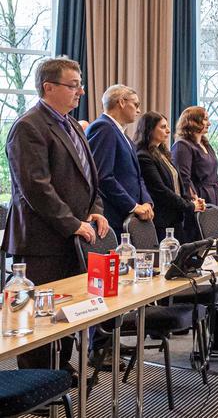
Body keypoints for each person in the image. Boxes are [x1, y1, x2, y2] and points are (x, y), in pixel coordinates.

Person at [2, 56, 109, 371]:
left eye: (80, 85)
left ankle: (59, 377)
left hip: (72, 239)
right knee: (40, 321)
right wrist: (73, 223)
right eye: (73, 85)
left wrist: (96, 211)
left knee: (66, 317)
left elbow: (90, 177)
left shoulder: (72, 123)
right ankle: (35, 389)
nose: (81, 91)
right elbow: (36, 188)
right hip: (41, 243)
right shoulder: (28, 126)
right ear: (49, 87)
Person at [85, 84, 154, 237]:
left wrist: (147, 202)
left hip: (129, 216)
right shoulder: (104, 128)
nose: (138, 110)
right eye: (135, 104)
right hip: (114, 215)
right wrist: (133, 206)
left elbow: (137, 176)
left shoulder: (124, 136)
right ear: (122, 102)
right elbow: (103, 176)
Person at [135, 111, 206, 241]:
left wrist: (191, 201)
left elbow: (177, 185)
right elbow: (160, 190)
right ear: (149, 130)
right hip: (161, 220)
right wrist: (189, 206)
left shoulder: (162, 153)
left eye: (167, 126)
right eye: (163, 127)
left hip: (175, 217)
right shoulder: (143, 155)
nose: (168, 130)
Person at [171, 106, 218, 214]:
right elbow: (184, 178)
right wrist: (196, 200)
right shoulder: (182, 145)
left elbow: (214, 177)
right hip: (197, 199)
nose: (209, 123)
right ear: (193, 122)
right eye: (205, 119)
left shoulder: (206, 145)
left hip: (212, 196)